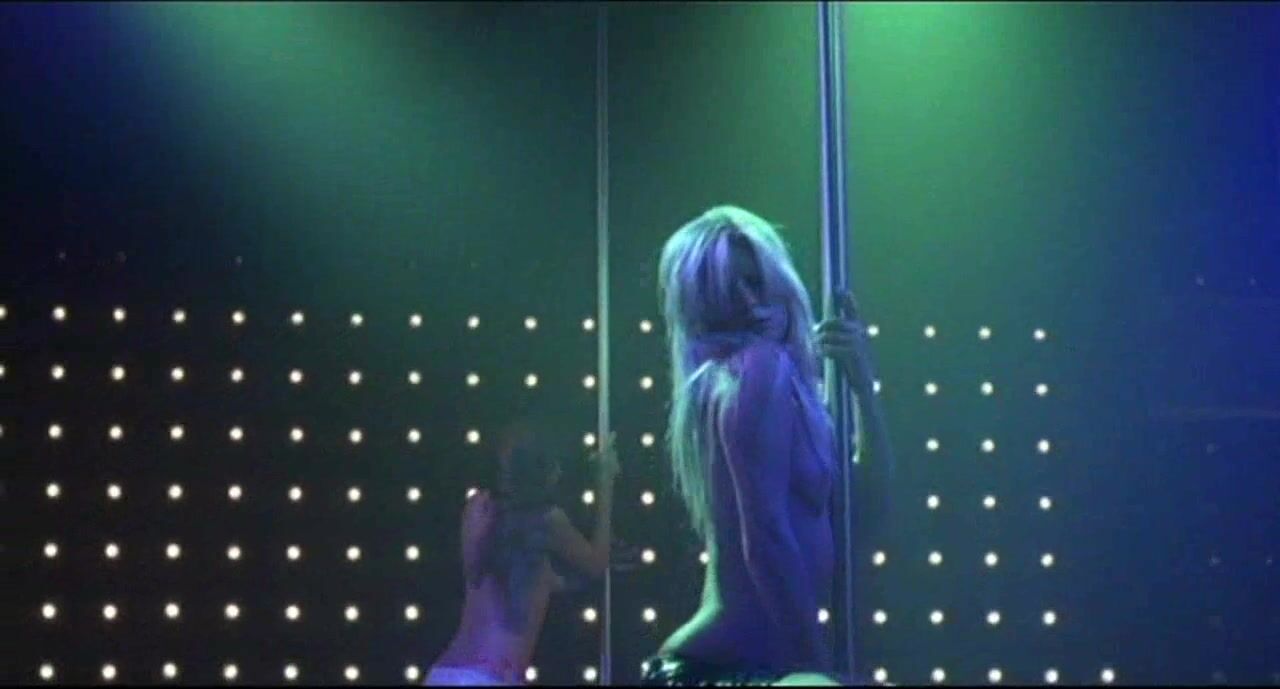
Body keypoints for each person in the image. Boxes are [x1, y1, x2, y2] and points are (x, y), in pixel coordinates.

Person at [641, 205, 884, 686]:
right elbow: (766, 537)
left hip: (748, 666)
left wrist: (863, 390)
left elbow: (869, 513)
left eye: (756, 282)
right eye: (728, 293)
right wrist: (815, 669)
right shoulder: (756, 369)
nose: (751, 303)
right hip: (716, 670)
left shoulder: (792, 391)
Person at [424, 418, 621, 686]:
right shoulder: (547, 521)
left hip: (450, 673)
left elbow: (509, 579)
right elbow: (596, 564)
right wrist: (606, 483)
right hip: (488, 675)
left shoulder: (479, 509)